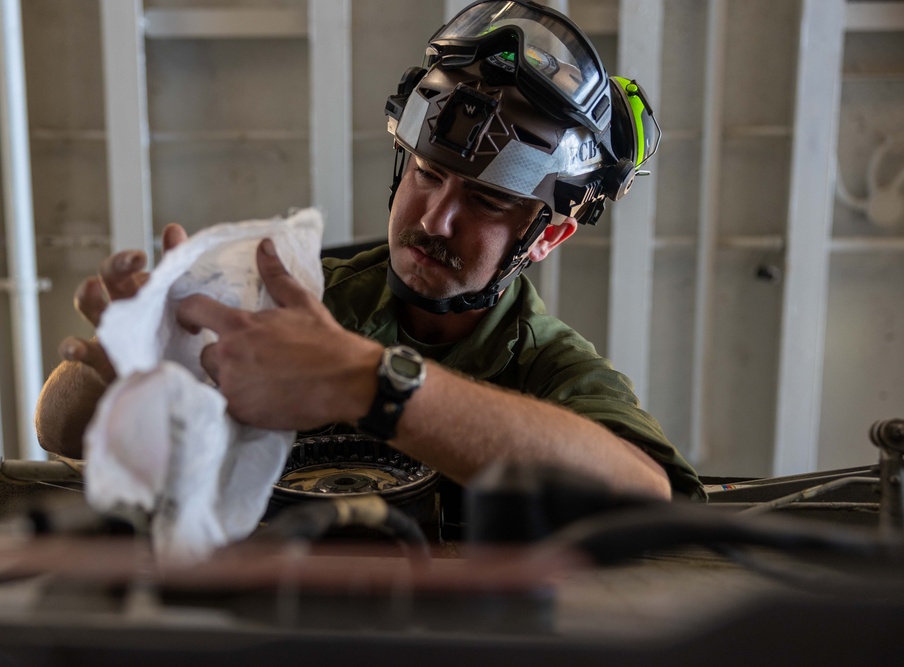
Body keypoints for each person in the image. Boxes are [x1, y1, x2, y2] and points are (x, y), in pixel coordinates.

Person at [36, 1, 703, 502]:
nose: (437, 218)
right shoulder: (293, 301)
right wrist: (125, 360)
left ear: (550, 234)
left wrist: (369, 381)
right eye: (426, 173)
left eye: (487, 201)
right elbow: (57, 430)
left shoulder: (552, 371)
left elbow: (647, 493)